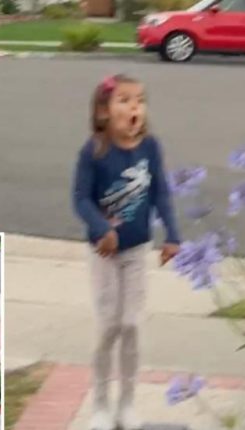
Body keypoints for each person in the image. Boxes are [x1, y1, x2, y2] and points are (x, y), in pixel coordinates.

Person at [72, 74, 181, 430]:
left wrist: (172, 235)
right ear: (104, 112)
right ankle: (101, 407)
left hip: (137, 251)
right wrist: (102, 229)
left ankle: (127, 405)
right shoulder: (94, 152)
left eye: (140, 100)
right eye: (124, 100)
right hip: (103, 255)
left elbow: (161, 193)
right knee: (109, 327)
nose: (135, 106)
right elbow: (81, 200)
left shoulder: (150, 147)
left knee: (132, 325)